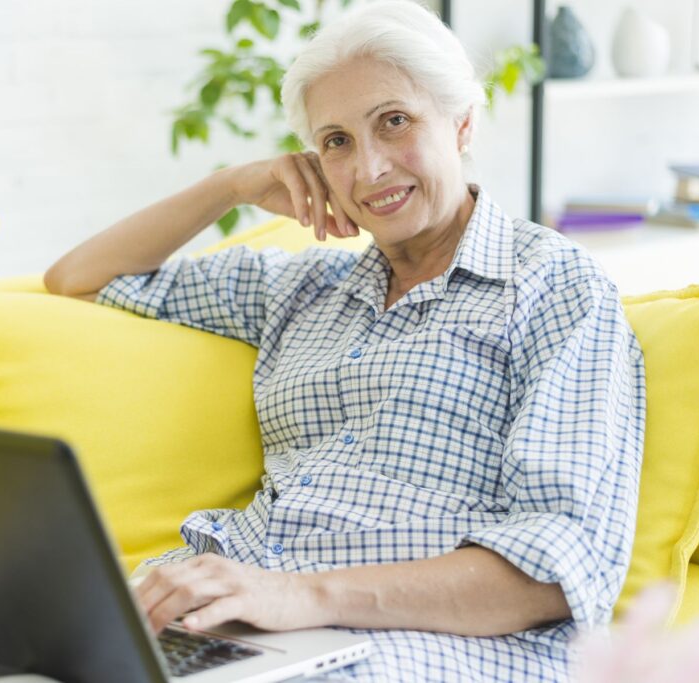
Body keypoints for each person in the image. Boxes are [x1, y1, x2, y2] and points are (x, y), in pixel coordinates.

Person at [44, 2, 645, 680]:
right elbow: (78, 276)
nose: (370, 170)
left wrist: (297, 596)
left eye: (395, 122)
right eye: (336, 142)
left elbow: (555, 570)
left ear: (463, 123)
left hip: (420, 645)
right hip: (238, 620)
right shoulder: (302, 289)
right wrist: (232, 185)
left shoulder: (556, 287)